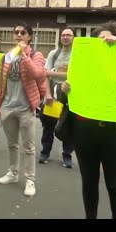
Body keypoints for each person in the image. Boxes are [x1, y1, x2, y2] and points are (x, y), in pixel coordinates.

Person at [61, 20, 116, 219]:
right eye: (98, 40)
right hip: (85, 133)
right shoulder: (84, 64)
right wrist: (64, 90)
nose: (103, 43)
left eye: (107, 39)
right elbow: (67, 101)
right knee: (89, 184)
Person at [0, 23, 46, 197]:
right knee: (12, 144)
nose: (19, 35)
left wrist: (24, 55)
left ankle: (30, 180)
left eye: (23, 33)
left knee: (29, 146)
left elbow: (38, 74)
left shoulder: (36, 55)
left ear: (29, 37)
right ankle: (13, 173)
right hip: (8, 107)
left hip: (26, 108)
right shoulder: (6, 57)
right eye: (16, 32)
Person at [38, 27, 75, 168]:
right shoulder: (54, 54)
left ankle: (67, 155)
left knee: (68, 126)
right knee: (48, 125)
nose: (65, 37)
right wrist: (47, 94)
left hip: (70, 94)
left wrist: (53, 74)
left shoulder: (77, 55)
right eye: (63, 35)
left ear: (73, 38)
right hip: (53, 94)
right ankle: (45, 152)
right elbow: (45, 74)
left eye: (69, 35)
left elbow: (75, 76)